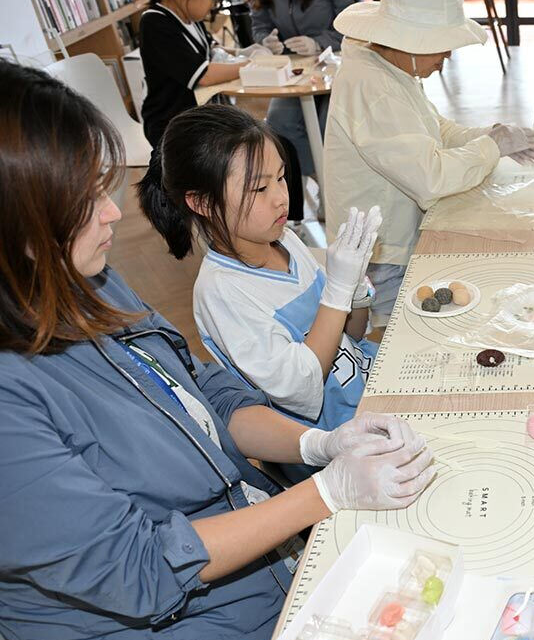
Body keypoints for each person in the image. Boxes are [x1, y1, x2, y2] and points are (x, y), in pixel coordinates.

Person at [0, 61, 436, 640]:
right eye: (82, 200)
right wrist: (325, 493)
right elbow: (142, 568)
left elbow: (204, 387)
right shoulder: (12, 400)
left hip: (255, 562)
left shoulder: (85, 281)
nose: (113, 213)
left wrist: (317, 444)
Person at [139, 105, 381, 479]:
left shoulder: (283, 240)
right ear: (201, 202)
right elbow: (302, 387)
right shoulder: (222, 292)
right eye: (260, 188)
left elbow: (352, 335)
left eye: (281, 178)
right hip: (330, 448)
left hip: (368, 395)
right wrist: (336, 291)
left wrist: (356, 290)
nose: (281, 197)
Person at [324, 0, 534, 329]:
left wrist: (491, 136)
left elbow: (434, 128)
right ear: (411, 41)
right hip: (382, 255)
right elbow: (431, 177)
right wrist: (490, 147)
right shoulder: (373, 88)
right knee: (400, 334)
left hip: (395, 237)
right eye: (442, 46)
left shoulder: (391, 67)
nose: (447, 57)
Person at [239, 0, 361, 179]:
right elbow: (259, 25)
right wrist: (266, 41)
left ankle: (338, 183)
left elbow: (355, 22)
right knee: (279, 122)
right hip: (293, 71)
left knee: (330, 124)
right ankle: (318, 181)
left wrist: (319, 42)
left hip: (337, 65)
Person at [140, 0, 247, 148]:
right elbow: (203, 74)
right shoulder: (155, 23)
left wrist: (243, 53)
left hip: (202, 119)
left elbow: (213, 50)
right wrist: (249, 65)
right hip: (173, 127)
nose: (212, 6)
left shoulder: (190, 19)